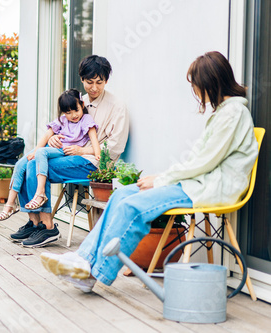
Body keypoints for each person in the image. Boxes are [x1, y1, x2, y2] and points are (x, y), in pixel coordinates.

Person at [39, 51, 259, 292]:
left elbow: (203, 163)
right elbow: (201, 162)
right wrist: (161, 179)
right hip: (195, 183)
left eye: (196, 85)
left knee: (132, 205)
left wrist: (160, 179)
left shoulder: (233, 113)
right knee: (122, 195)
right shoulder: (225, 112)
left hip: (209, 188)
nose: (195, 92)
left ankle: (93, 271)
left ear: (210, 83)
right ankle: (85, 260)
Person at [10, 55, 130, 247]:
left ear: (106, 81)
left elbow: (116, 147)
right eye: (89, 82)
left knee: (36, 164)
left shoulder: (116, 106)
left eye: (99, 82)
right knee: (29, 161)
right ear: (82, 79)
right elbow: (61, 127)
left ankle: (48, 227)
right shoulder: (77, 102)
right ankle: (35, 222)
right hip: (68, 155)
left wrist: (82, 150)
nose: (94, 87)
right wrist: (54, 138)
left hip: (93, 163)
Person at [0, 89, 101, 221]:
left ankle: (40, 193)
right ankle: (10, 205)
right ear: (63, 112)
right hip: (48, 149)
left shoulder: (86, 119)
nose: (73, 115)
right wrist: (34, 151)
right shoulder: (62, 120)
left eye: (76, 110)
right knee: (21, 164)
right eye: (68, 112)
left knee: (39, 153)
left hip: (63, 151)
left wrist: (97, 154)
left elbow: (93, 138)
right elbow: (46, 136)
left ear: (82, 105)